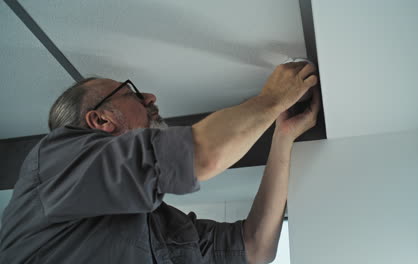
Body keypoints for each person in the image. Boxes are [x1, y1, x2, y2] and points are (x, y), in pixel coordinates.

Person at [0, 61, 320, 263]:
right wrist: (271, 99)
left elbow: (254, 248)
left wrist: (283, 137)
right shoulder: (55, 162)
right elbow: (202, 155)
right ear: (100, 119)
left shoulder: (159, 224)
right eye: (132, 93)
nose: (150, 97)